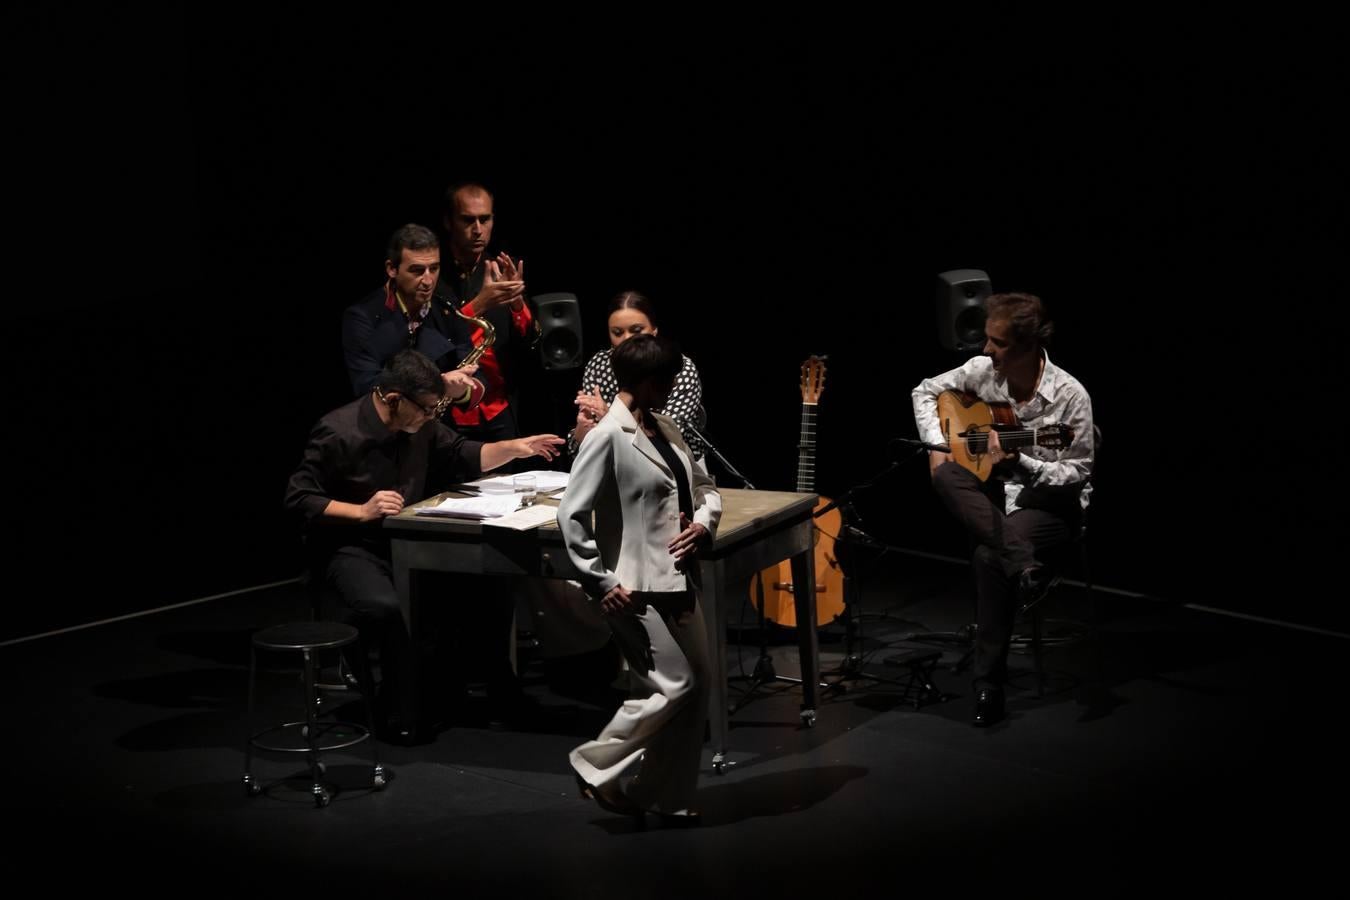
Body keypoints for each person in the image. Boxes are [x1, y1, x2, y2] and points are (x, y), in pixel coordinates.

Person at [285, 350, 563, 743]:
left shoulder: (421, 426)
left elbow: (461, 453)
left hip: (410, 540)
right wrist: (361, 511)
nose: (432, 416)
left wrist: (518, 447)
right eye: (428, 409)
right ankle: (393, 707)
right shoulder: (338, 431)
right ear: (394, 399)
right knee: (385, 607)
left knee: (487, 580)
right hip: (351, 546)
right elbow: (299, 498)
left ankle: (482, 693)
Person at [557, 334, 721, 821]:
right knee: (675, 686)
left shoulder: (665, 426)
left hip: (679, 575)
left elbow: (705, 486)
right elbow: (571, 515)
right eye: (666, 381)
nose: (672, 388)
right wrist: (601, 582)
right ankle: (597, 765)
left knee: (699, 688)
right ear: (648, 383)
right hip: (634, 587)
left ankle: (666, 798)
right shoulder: (607, 435)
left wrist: (703, 523)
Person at [911, 292, 1094, 728]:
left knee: (987, 556)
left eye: (998, 343)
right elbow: (925, 390)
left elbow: (1079, 471)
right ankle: (1023, 563)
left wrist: (1024, 461)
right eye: (987, 340)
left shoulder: (1070, 397)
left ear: (1027, 346)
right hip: (994, 498)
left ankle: (989, 685)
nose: (986, 350)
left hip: (1050, 506)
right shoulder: (983, 372)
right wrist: (939, 444)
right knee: (944, 474)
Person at [341, 223, 497, 406]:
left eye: (434, 268)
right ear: (392, 269)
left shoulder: (447, 308)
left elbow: (477, 376)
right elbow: (366, 386)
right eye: (417, 271)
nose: (428, 281)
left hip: (438, 427)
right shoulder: (362, 317)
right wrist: (438, 385)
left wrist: (462, 390)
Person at [436, 182, 538, 444]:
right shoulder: (433, 274)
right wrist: (480, 303)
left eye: (485, 219)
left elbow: (530, 341)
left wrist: (517, 304)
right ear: (449, 222)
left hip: (499, 408)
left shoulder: (501, 266)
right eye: (468, 220)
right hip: (450, 410)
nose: (478, 229)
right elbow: (434, 338)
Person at [569, 291, 705, 460]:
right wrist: (582, 431)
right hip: (613, 460)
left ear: (654, 331)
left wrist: (609, 419)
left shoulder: (678, 368)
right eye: (617, 332)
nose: (627, 339)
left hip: (674, 462)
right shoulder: (599, 364)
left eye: (636, 330)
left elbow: (667, 437)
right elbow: (593, 441)